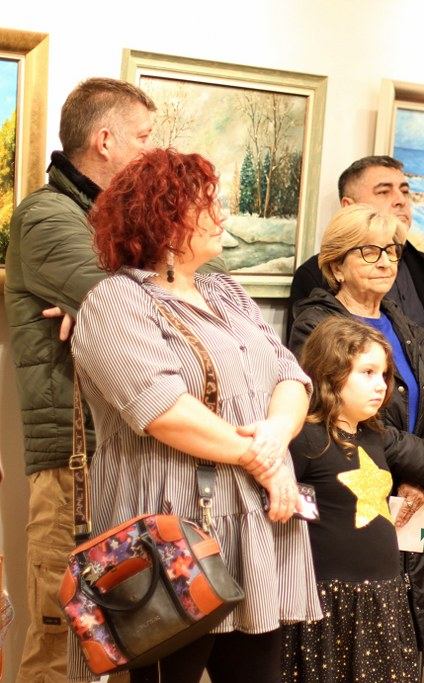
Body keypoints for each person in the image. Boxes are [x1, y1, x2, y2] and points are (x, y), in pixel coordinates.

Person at [69, 148, 320, 682]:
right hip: (169, 531)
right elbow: (164, 411)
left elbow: (291, 376)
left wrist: (275, 435)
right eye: (210, 203)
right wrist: (267, 462)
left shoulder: (225, 291)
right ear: (165, 217)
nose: (224, 214)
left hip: (255, 522)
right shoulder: (116, 302)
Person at [5, 77, 159, 683]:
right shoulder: (46, 216)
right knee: (60, 638)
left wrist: (111, 297)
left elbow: (191, 290)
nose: (150, 150)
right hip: (75, 463)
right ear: (105, 140)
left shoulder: (124, 222)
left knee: (124, 638)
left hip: (125, 454)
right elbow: (133, 308)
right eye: (143, 137)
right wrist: (112, 299)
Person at [288, 202, 424, 671]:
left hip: (412, 493)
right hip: (351, 495)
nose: (385, 261)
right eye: (369, 251)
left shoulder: (403, 323)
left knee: (400, 629)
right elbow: (349, 419)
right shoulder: (317, 324)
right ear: (336, 264)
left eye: (392, 251)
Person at [282, 316, 424, 683]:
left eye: (384, 374)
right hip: (328, 602)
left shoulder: (377, 437)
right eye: (367, 372)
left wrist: (417, 480)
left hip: (383, 598)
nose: (381, 385)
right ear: (330, 373)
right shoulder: (305, 439)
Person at [287, 155, 424, 378]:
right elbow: (308, 374)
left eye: (404, 191)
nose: (401, 200)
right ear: (349, 206)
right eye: (384, 192)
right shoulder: (314, 275)